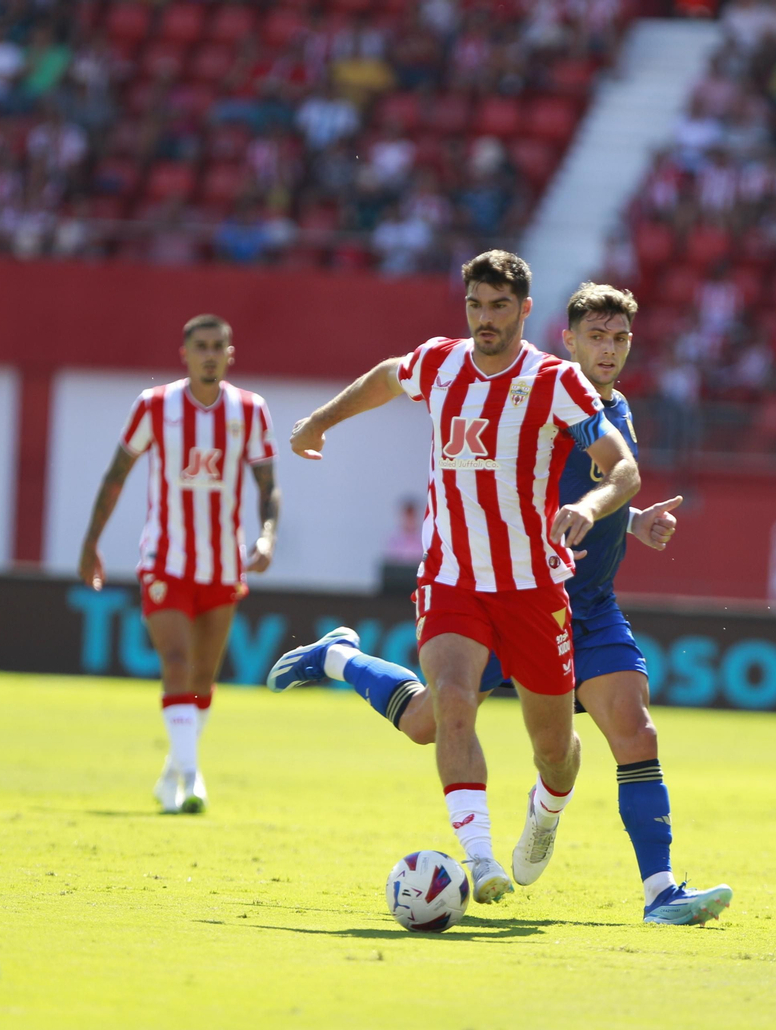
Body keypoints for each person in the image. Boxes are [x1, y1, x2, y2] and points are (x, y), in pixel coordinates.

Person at [272, 283, 733, 924]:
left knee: (634, 730)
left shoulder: (615, 409)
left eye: (620, 338)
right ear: (566, 339)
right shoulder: (541, 392)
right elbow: (512, 486)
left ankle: (658, 891)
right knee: (429, 723)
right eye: (595, 337)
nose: (609, 350)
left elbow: (568, 493)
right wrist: (322, 419)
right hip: (504, 593)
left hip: (587, 605)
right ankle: (341, 659)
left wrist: (628, 521)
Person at [78, 315, 280, 814]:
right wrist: (90, 542)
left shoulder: (251, 411)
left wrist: (268, 536)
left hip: (224, 562)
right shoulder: (154, 406)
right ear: (184, 353)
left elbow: (267, 485)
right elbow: (116, 474)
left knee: (204, 678)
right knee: (174, 661)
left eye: (218, 346)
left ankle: (175, 768)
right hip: (165, 558)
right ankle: (191, 778)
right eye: (201, 346)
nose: (209, 354)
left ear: (230, 354)